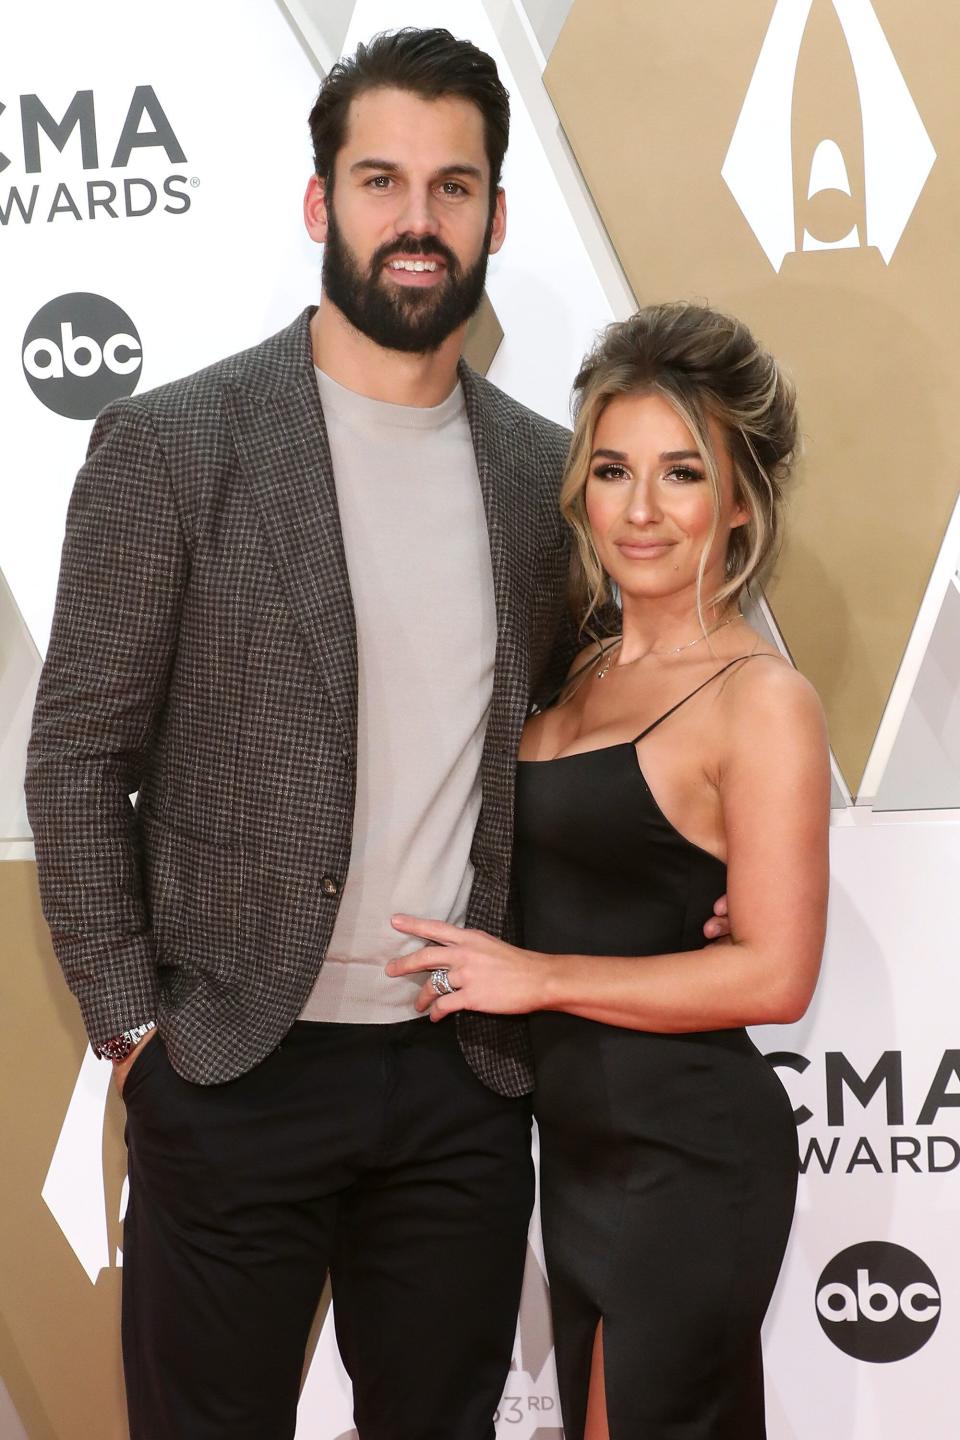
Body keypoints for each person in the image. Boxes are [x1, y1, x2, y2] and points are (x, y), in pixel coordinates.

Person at [25, 28, 729, 1440]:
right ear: (319, 204)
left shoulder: (547, 475)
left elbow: (586, 739)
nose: (418, 220)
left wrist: (682, 883)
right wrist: (134, 1024)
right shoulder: (176, 446)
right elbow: (76, 754)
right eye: (382, 181)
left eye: (454, 187)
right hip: (232, 1067)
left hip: (459, 1080)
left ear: (496, 218)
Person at [388, 303, 830, 1439]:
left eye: (682, 473)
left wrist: (538, 978)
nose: (640, 511)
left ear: (738, 502)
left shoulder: (760, 698)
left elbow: (775, 978)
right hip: (579, 1156)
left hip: (689, 1158)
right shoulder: (573, 670)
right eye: (613, 469)